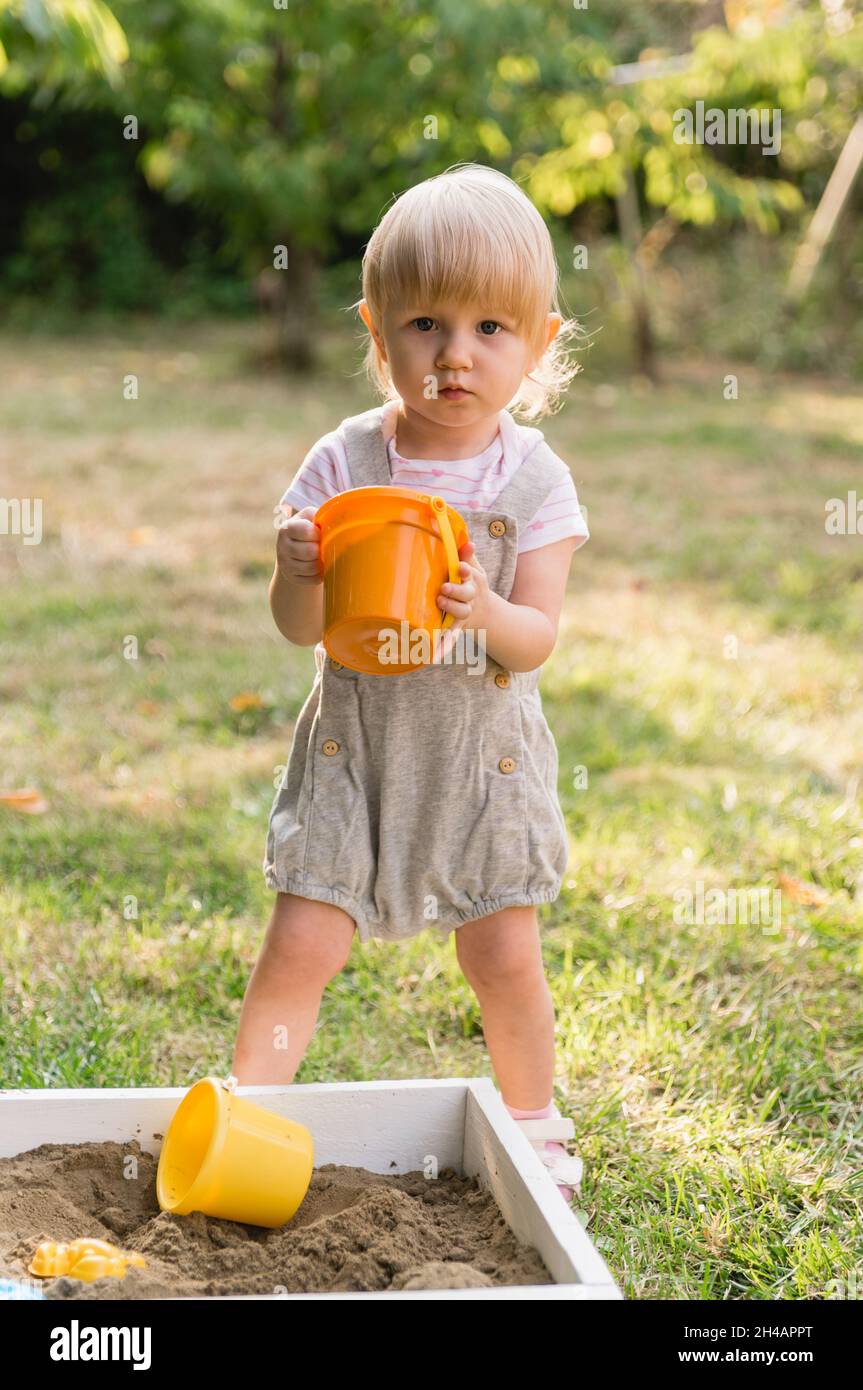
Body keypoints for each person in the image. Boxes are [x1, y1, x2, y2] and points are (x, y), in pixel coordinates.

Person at [233, 163, 590, 1202]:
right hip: (355, 748)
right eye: (424, 324)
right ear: (376, 329)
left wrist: (486, 611)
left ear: (539, 343)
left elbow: (534, 640)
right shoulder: (344, 462)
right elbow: (298, 628)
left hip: (483, 760)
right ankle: (248, 1110)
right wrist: (294, 571)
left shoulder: (531, 482)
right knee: (300, 937)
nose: (453, 356)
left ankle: (533, 1126)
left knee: (504, 952)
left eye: (490, 329)